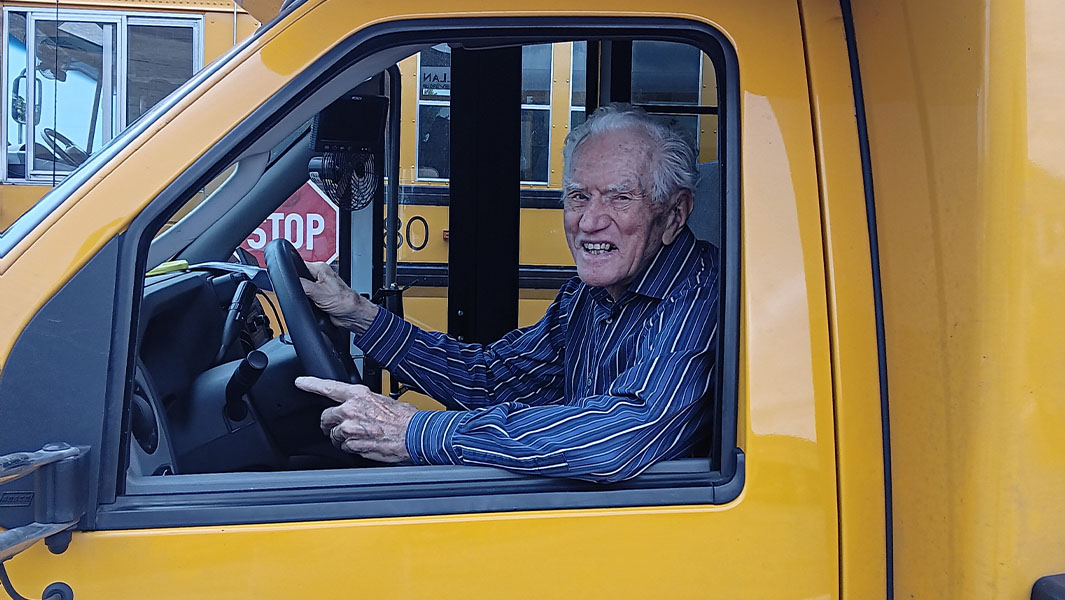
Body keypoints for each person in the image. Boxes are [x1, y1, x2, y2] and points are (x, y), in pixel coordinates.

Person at [296, 104, 719, 483]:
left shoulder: (699, 294)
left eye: (619, 198)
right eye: (578, 197)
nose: (589, 222)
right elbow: (492, 379)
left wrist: (413, 432)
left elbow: (619, 437)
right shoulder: (588, 298)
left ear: (675, 213)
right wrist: (358, 315)